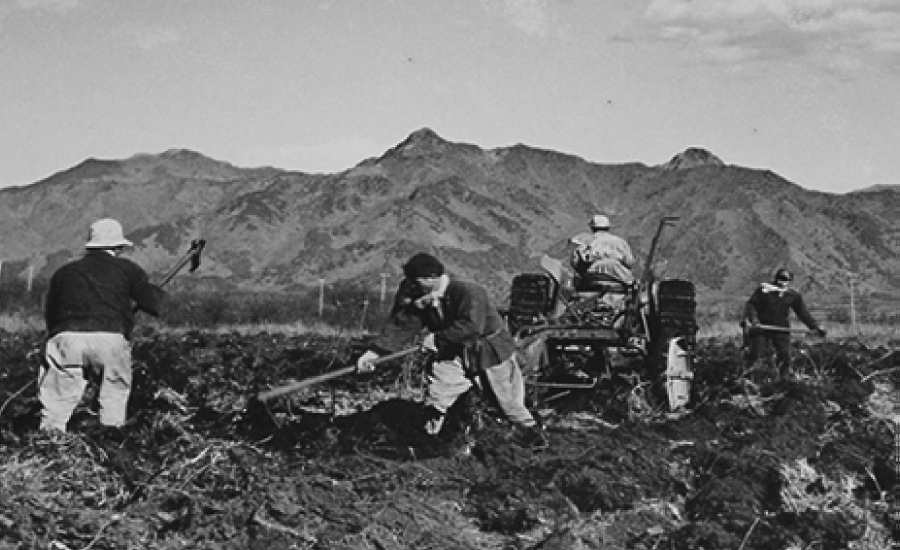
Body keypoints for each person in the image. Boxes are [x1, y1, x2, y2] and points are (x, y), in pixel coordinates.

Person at [356, 252, 547, 448]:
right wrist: (374, 353)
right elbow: (402, 325)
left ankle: (533, 438)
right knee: (438, 393)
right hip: (453, 352)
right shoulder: (421, 295)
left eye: (417, 282)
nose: (413, 287)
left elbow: (472, 326)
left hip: (490, 351)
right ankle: (429, 439)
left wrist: (437, 338)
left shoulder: (469, 292)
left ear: (432, 278)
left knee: (507, 402)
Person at [39, 218, 165, 432]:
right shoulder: (128, 269)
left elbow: (51, 314)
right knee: (113, 397)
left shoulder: (64, 272)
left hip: (65, 338)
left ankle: (49, 448)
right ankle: (109, 445)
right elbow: (154, 305)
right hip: (110, 339)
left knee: (56, 405)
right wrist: (155, 292)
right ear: (118, 246)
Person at [742, 268, 826, 378]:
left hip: (781, 329)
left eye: (786, 279)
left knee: (785, 357)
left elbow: (802, 313)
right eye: (780, 278)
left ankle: (783, 381)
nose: (782, 282)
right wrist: (754, 320)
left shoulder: (792, 295)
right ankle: (750, 379)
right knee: (757, 355)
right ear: (776, 278)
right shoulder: (763, 291)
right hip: (761, 327)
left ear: (789, 281)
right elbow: (751, 305)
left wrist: (815, 327)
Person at [570, 214, 635, 284]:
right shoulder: (621, 242)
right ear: (608, 227)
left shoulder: (584, 242)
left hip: (590, 280)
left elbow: (575, 263)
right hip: (618, 279)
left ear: (592, 228)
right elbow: (629, 262)